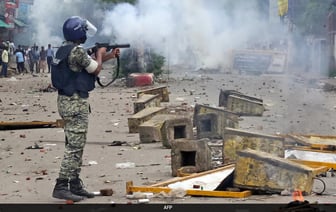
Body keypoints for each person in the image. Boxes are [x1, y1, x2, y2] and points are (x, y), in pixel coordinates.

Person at [51, 16, 120, 202]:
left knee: (75, 143)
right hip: (74, 103)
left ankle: (74, 184)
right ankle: (61, 185)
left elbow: (89, 65)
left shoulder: (65, 50)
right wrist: (100, 52)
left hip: (67, 101)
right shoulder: (78, 51)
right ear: (78, 32)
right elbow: (95, 69)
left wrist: (108, 55)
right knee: (74, 146)